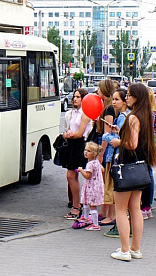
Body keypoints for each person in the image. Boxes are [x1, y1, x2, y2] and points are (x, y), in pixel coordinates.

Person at [108, 83, 156, 261]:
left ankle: (124, 249)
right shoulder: (146, 116)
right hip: (140, 166)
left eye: (129, 95)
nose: (126, 97)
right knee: (135, 208)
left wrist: (118, 141)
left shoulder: (133, 117)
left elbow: (132, 144)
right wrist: (121, 133)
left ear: (137, 97)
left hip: (127, 165)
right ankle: (135, 248)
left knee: (120, 209)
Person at [101, 88, 130, 233]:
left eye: (117, 99)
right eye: (113, 99)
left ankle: (119, 224)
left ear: (125, 101)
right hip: (119, 156)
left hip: (118, 157)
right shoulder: (123, 116)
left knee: (116, 190)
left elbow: (119, 140)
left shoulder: (125, 116)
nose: (113, 102)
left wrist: (106, 136)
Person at [61, 88, 92, 219]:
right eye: (74, 96)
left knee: (72, 175)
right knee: (71, 176)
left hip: (80, 145)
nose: (75, 99)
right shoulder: (72, 113)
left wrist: (70, 135)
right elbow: (67, 129)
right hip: (72, 145)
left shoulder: (85, 113)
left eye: (78, 97)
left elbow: (80, 133)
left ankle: (77, 206)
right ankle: (76, 204)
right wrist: (66, 134)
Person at [96, 80, 116, 223]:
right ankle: (104, 211)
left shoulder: (109, 108)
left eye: (99, 88)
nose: (97, 91)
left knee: (106, 182)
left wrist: (101, 152)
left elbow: (107, 132)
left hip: (107, 147)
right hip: (107, 147)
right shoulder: (107, 106)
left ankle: (110, 214)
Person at [73, 141, 105, 231]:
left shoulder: (90, 164)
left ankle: (95, 224)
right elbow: (102, 170)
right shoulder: (96, 162)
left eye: (89, 151)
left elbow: (87, 176)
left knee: (92, 206)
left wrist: (81, 170)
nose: (86, 152)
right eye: (85, 150)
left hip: (92, 187)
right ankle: (86, 217)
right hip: (95, 186)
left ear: (94, 154)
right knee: (85, 202)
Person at [140, 88, 156, 220]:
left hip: (144, 147)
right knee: (148, 174)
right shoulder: (153, 113)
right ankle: (146, 205)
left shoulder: (148, 114)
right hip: (148, 146)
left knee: (145, 175)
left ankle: (146, 205)